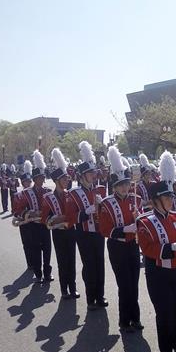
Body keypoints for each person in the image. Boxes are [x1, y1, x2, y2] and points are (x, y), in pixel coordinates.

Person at [136, 174, 176, 352]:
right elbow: (147, 249)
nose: (170, 200)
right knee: (164, 311)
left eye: (171, 196)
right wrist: (172, 247)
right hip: (158, 272)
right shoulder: (144, 222)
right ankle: (166, 348)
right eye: (166, 197)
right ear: (155, 201)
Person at [99, 146, 143, 332]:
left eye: (126, 184)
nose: (125, 187)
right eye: (121, 185)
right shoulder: (107, 203)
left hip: (133, 246)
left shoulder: (135, 199)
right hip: (117, 248)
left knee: (134, 283)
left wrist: (139, 218)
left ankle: (135, 317)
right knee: (124, 284)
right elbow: (105, 230)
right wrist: (126, 229)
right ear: (115, 186)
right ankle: (124, 321)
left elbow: (140, 220)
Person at [65, 142, 107, 310]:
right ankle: (91, 298)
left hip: (98, 232)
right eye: (89, 173)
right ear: (82, 176)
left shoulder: (101, 190)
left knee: (100, 264)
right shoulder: (73, 193)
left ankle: (100, 295)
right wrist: (87, 211)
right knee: (89, 265)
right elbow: (70, 218)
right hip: (83, 233)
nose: (93, 175)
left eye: (93, 172)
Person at [41, 149, 79, 299]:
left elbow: (75, 213)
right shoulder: (48, 198)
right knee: (62, 260)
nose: (67, 181)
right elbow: (45, 218)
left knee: (72, 260)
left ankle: (73, 287)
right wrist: (55, 219)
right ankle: (64, 289)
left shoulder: (71, 195)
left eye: (67, 178)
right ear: (57, 181)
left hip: (71, 230)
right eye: (64, 179)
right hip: (57, 232)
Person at [14, 153, 53, 284]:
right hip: (33, 226)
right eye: (39, 178)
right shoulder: (26, 193)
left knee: (47, 249)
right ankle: (38, 274)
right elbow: (19, 210)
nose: (42, 180)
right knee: (36, 250)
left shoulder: (48, 191)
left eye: (43, 177)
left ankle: (47, 273)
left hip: (46, 225)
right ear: (35, 179)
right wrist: (29, 213)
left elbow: (54, 207)